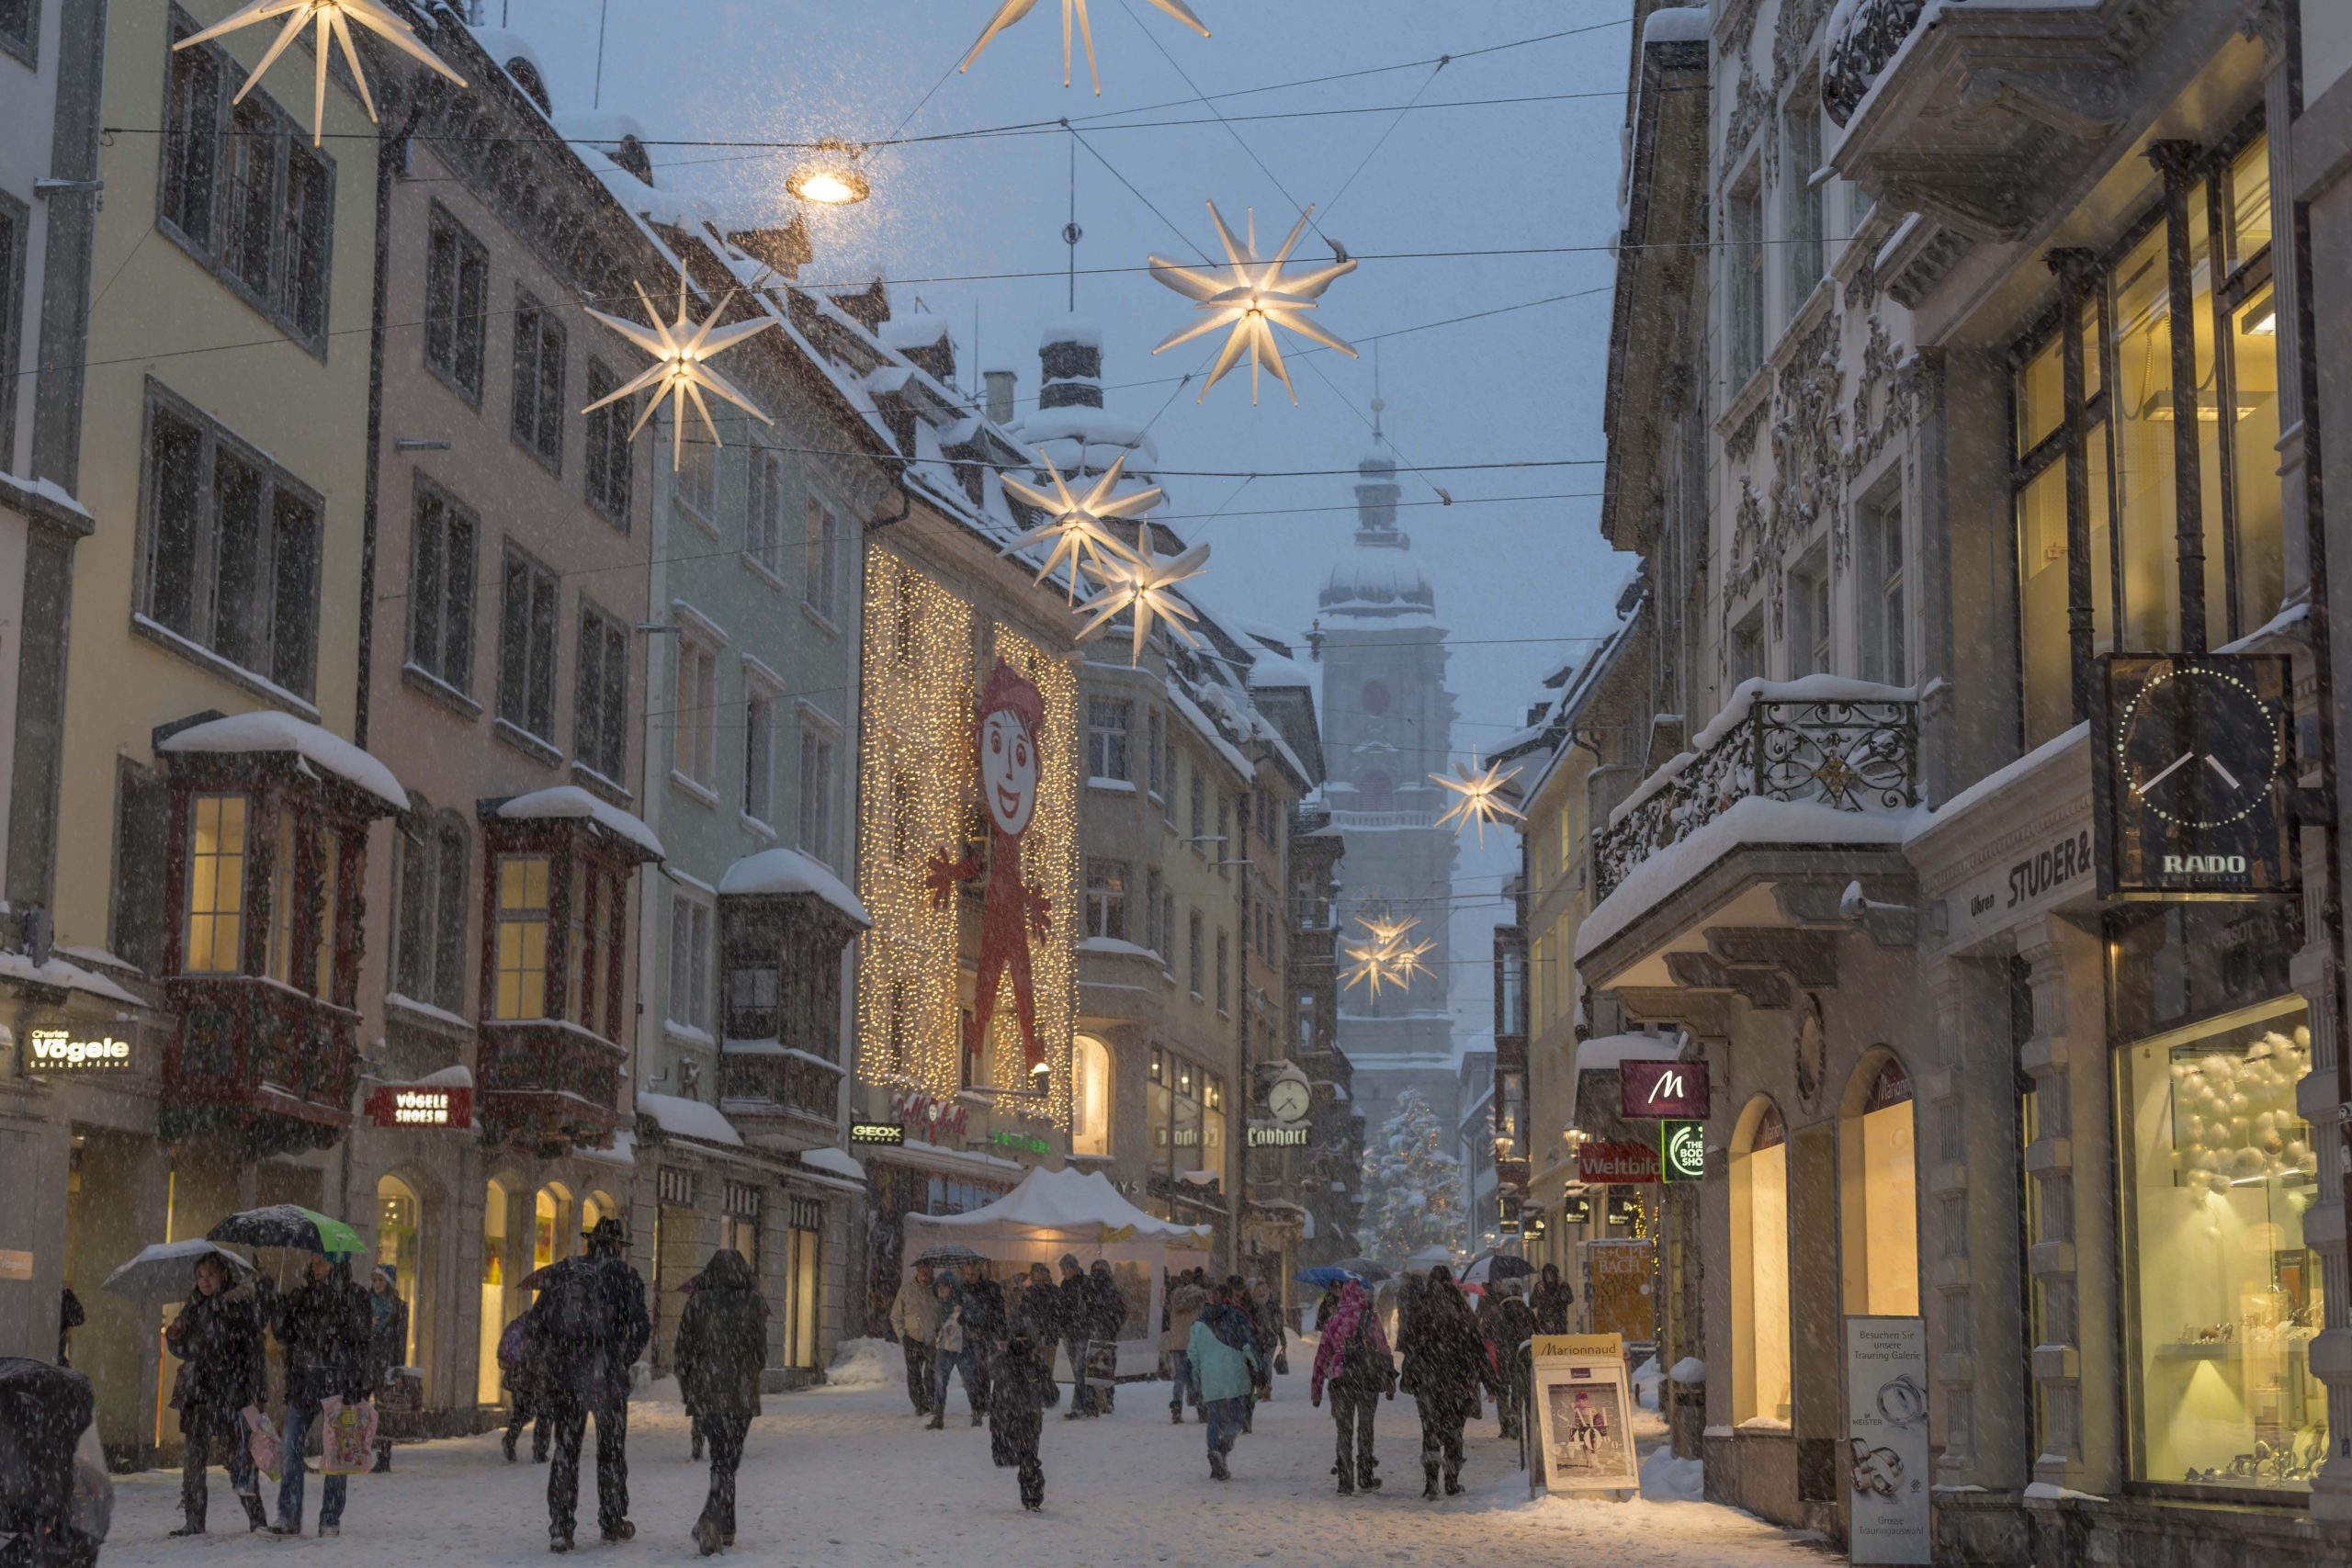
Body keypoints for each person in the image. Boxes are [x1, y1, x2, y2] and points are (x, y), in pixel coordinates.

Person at [529, 1217, 651, 1552]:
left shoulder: (563, 1271)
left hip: (566, 1375)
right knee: (611, 1451)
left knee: (566, 1451)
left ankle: (561, 1527)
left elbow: (537, 1322)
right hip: (606, 1376)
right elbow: (641, 1327)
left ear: (589, 1243)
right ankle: (611, 1521)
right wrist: (619, 1358)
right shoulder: (625, 1276)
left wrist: (554, 1357)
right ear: (616, 1246)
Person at [164, 1255, 267, 1536]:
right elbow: (186, 1351)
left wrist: (258, 1393)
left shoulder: (236, 1306)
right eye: (200, 1275)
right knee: (193, 1459)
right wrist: (174, 1337)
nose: (205, 1280)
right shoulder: (193, 1307)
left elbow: (253, 1352)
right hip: (197, 1392)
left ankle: (256, 1518)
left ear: (223, 1275)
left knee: (236, 1458)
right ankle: (193, 1520)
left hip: (229, 1392)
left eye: (210, 1274)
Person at [269, 1252, 370, 1537]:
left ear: (336, 1264)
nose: (314, 1265)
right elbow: (284, 1335)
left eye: (321, 1260)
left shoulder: (354, 1296)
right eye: (313, 1260)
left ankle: (330, 1519)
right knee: (291, 1446)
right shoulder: (301, 1296)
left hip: (338, 1383)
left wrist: (357, 1384)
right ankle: (288, 1516)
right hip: (304, 1383)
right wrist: (279, 1309)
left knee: (336, 1455)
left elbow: (361, 1342)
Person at [673, 1249, 765, 1558]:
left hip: (708, 1393)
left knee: (721, 1460)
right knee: (730, 1460)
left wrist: (690, 1389)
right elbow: (761, 1355)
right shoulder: (753, 1303)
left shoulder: (697, 1302)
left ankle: (722, 1525)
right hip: (741, 1396)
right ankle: (715, 1522)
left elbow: (682, 1353)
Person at [1397, 1265, 1496, 1499]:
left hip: (1428, 1382)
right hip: (1458, 1382)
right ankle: (1451, 1480)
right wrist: (1491, 1382)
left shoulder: (1421, 1309)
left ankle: (1431, 1482)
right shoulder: (1461, 1310)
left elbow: (1406, 1344)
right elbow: (1478, 1349)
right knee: (1454, 1431)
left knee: (1430, 1430)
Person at [1309, 1278, 1396, 1495]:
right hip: (1367, 1378)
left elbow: (1322, 1357)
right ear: (1361, 1296)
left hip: (1341, 1380)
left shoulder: (1334, 1320)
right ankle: (1365, 1477)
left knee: (1343, 1431)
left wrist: (1317, 1389)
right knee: (1366, 1430)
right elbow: (1384, 1351)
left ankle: (1344, 1480)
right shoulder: (1371, 1318)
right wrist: (1390, 1380)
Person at [1185, 1282, 1261, 1482]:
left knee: (1214, 1418)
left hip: (1211, 1378)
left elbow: (1192, 1355)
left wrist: (1194, 1381)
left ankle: (1214, 1455)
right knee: (1237, 1418)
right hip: (1235, 1375)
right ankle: (1223, 1447)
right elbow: (1248, 1345)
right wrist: (1258, 1369)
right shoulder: (1238, 1316)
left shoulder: (1198, 1325)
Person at [989, 1328, 1052, 1512]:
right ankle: (1032, 1498)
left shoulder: (1003, 1362)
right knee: (1027, 1459)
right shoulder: (1032, 1364)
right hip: (1021, 1420)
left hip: (1009, 1421)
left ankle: (1032, 1498)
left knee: (1023, 1459)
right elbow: (1052, 1395)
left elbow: (1050, 1394)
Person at [365, 1265, 409, 1473]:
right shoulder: (365, 1304)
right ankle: (355, 1452)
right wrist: (366, 1324)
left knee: (385, 1411)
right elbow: (354, 1332)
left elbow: (401, 1342)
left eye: (380, 1281)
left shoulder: (399, 1308)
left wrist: (397, 1371)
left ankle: (384, 1457)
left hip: (386, 1365)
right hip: (366, 1364)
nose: (376, 1285)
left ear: (389, 1283)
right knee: (358, 1408)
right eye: (374, 1281)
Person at [888, 1260, 942, 1419]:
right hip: (911, 1338)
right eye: (923, 1273)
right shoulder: (906, 1291)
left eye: (929, 1273)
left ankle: (931, 1401)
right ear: (918, 1272)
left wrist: (941, 1332)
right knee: (914, 1374)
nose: (926, 1276)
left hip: (931, 1339)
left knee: (931, 1372)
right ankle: (920, 1404)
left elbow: (942, 1315)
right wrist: (902, 1335)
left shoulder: (937, 1291)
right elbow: (895, 1316)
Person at [927, 1273, 980, 1429]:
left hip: (964, 1345)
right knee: (940, 1380)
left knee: (969, 1381)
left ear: (951, 1287)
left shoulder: (965, 1299)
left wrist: (965, 1316)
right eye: (938, 1287)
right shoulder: (939, 1303)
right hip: (945, 1346)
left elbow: (980, 1316)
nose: (940, 1290)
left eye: (943, 1287)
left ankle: (976, 1411)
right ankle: (938, 1416)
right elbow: (936, 1320)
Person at [1487, 1280, 1537, 1442]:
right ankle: (1515, 1425)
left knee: (1503, 1393)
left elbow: (1490, 1335)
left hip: (1503, 1358)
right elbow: (1536, 1334)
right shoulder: (1527, 1312)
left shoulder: (1498, 1313)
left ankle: (1504, 1427)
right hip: (1521, 1358)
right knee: (1517, 1394)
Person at [499, 1311, 550, 1463]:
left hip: (519, 1379)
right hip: (533, 1379)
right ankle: (539, 1450)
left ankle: (510, 1439)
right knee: (544, 1414)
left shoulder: (524, 1322)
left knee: (522, 1413)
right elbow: (539, 1357)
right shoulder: (543, 1326)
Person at [1161, 1269, 1207, 1425]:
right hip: (1194, 1343)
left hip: (1178, 1343)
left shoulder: (1174, 1298)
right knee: (1197, 1377)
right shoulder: (1199, 1298)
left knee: (1179, 1378)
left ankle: (1176, 1406)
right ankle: (1201, 1408)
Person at [1055, 1256, 1096, 1418]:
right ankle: (1089, 1403)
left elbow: (1090, 1307)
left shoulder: (1086, 1283)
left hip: (1081, 1332)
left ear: (1072, 1268)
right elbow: (1063, 1307)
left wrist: (1083, 1321)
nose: (1062, 1273)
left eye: (1064, 1269)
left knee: (1080, 1369)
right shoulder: (1066, 1284)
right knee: (1078, 1371)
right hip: (1069, 1332)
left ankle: (1078, 1406)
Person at [1085, 1260, 1126, 1415]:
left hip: (1098, 1333)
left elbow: (1120, 1312)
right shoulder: (1111, 1290)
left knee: (1093, 1368)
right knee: (1106, 1368)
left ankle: (1096, 1400)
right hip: (1105, 1333)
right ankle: (1105, 1400)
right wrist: (1113, 1327)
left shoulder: (1091, 1289)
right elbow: (1121, 1312)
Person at [1242, 1278, 1283, 1430]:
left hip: (1270, 1339)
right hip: (1257, 1340)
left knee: (1266, 1362)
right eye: (1258, 1290)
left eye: (1263, 1289)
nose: (1261, 1292)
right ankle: (1261, 1387)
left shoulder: (1273, 1305)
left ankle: (1266, 1389)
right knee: (1258, 1364)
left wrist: (1283, 1340)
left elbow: (1279, 1323)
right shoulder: (1252, 1306)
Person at [964, 1276, 1005, 1419]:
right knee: (973, 1371)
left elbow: (999, 1312)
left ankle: (983, 1402)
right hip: (969, 1335)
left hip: (984, 1334)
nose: (971, 1271)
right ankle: (978, 1402)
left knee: (982, 1369)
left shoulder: (991, 1287)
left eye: (974, 1266)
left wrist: (998, 1331)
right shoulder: (963, 1288)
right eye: (968, 1267)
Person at [1530, 1262, 1574, 1337]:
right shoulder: (1541, 1287)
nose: (1548, 1277)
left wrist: (1563, 1287)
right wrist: (1537, 1291)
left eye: (1551, 1274)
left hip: (1559, 1327)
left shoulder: (1562, 1286)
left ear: (1555, 1275)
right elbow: (1532, 1303)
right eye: (1546, 1274)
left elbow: (1569, 1299)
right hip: (1544, 1328)